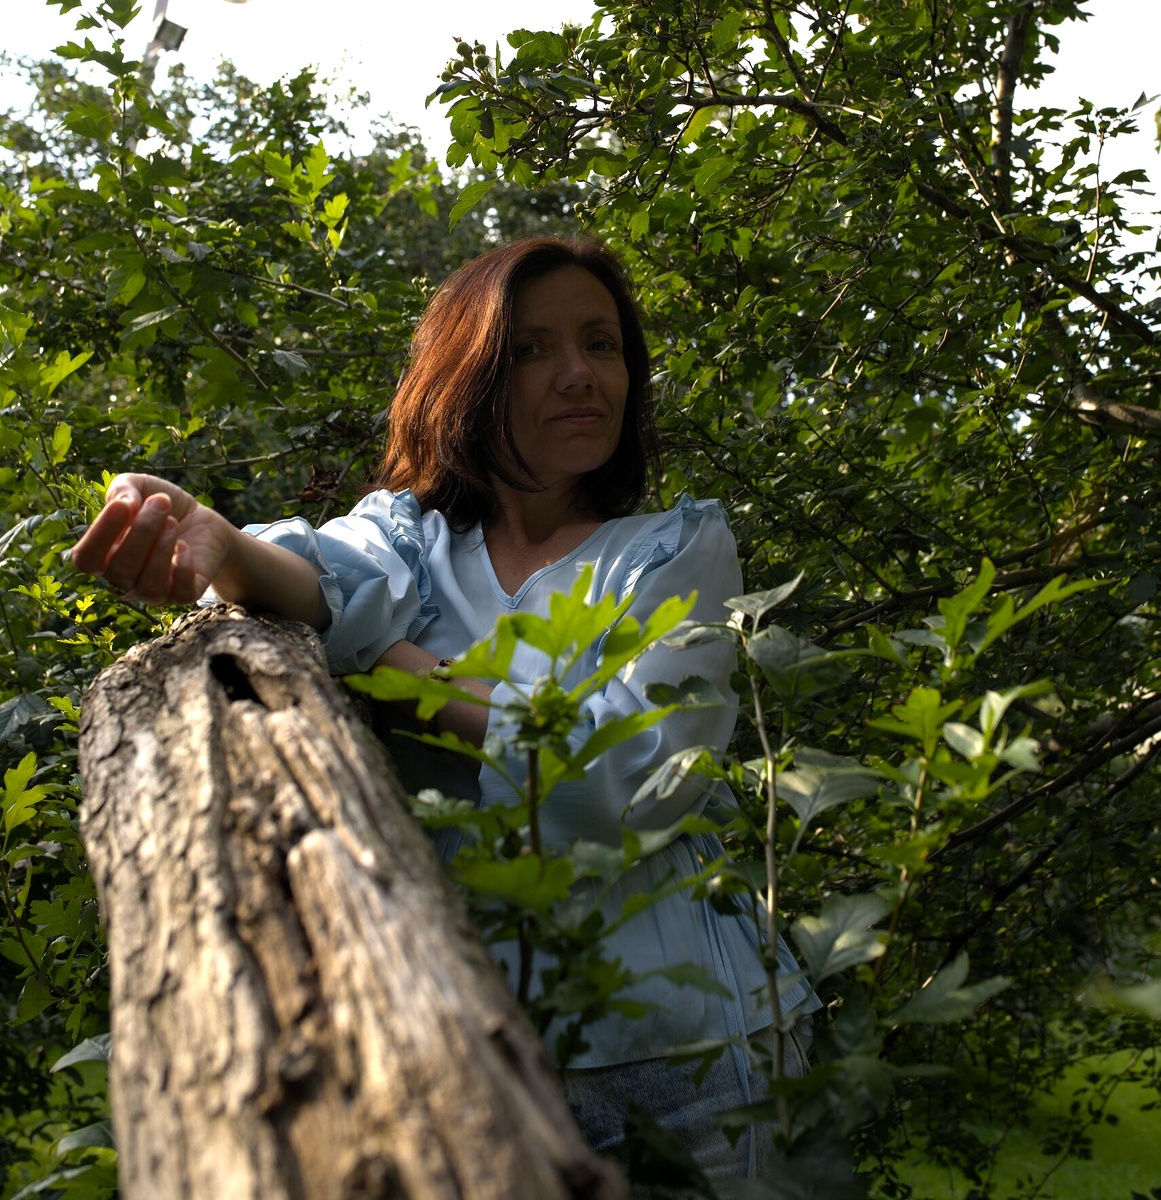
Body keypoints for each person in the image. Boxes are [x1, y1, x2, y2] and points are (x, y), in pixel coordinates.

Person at [71, 235, 817, 1188]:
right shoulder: (411, 539)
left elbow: (631, 781)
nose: (579, 373)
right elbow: (312, 573)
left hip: (690, 1053)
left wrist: (396, 665)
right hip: (464, 1043)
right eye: (531, 349)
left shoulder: (673, 552)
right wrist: (206, 534)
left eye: (601, 344)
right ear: (468, 379)